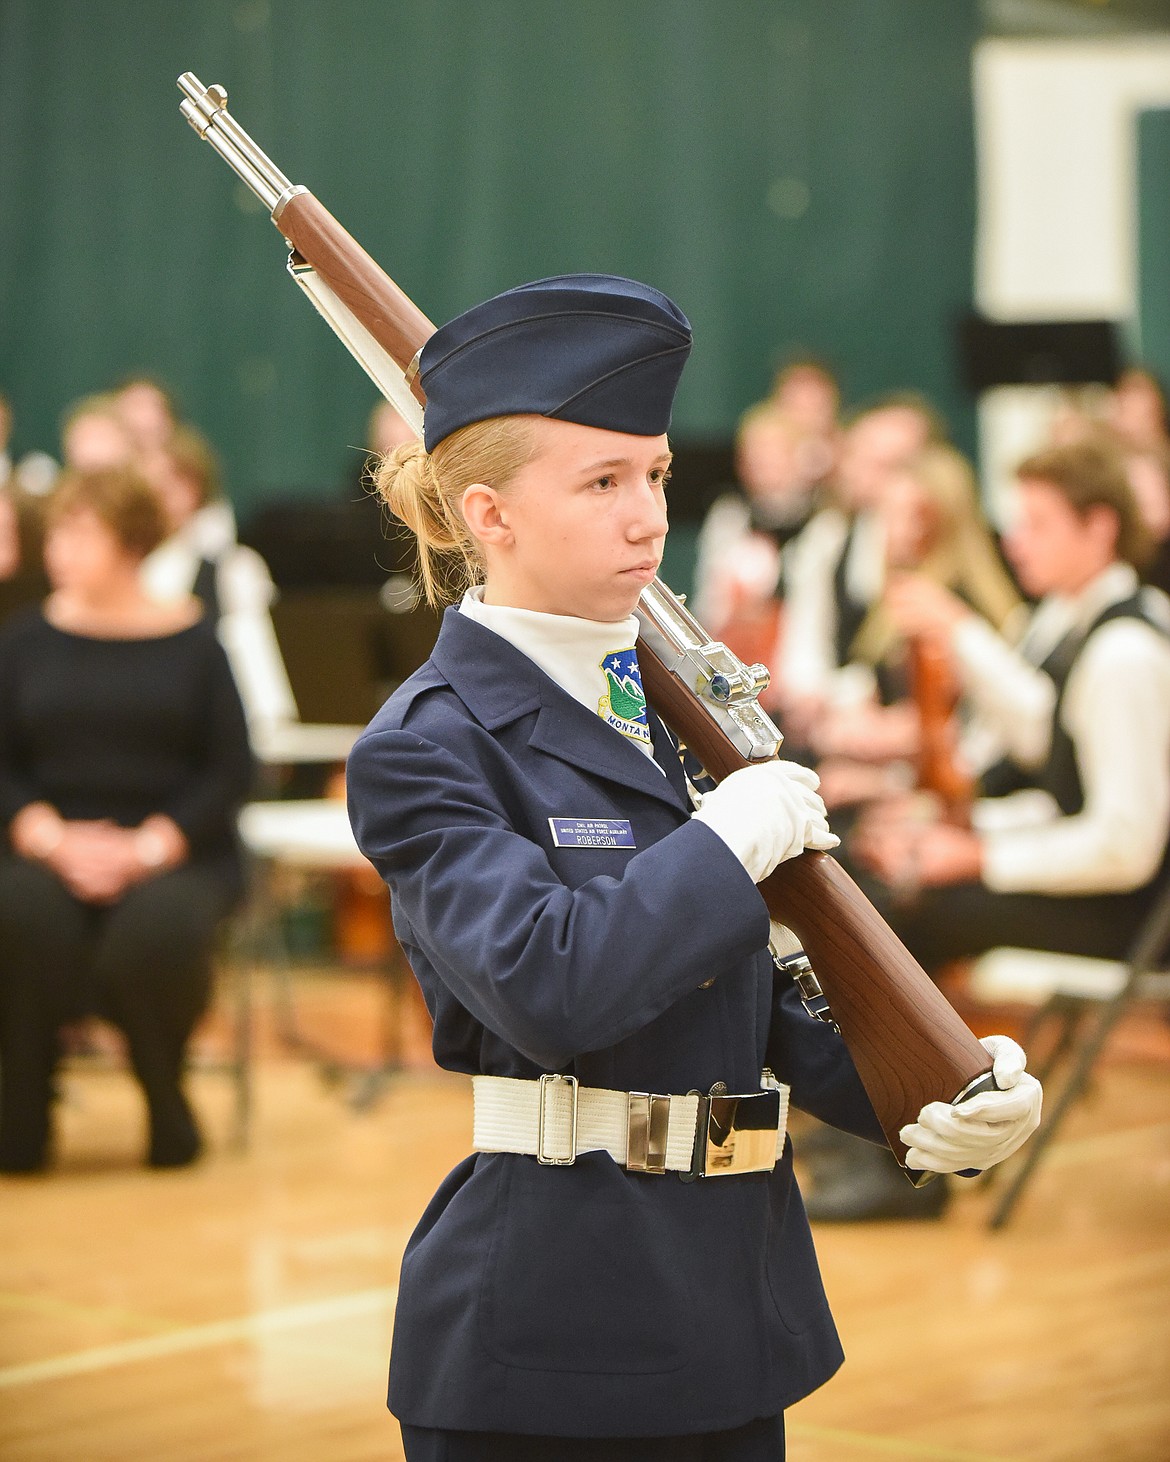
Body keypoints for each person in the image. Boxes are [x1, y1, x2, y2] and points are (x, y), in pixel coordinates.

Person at [344, 274, 1041, 1458]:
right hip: (551, 1324)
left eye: (656, 473)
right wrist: (729, 839)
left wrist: (943, 1087)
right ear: (489, 515)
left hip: (728, 1307)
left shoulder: (681, 719)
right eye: (602, 480)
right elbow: (553, 989)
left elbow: (760, 1005)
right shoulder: (429, 743)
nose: (647, 515)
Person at [803, 439, 1170, 1223]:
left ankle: (915, 1158)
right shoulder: (1067, 625)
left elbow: (1125, 844)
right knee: (876, 884)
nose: (1016, 540)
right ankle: (873, 1119)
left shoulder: (1127, 650)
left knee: (899, 916)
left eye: (1037, 522)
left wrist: (974, 852)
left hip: (1128, 916)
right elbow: (1050, 788)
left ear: (1099, 528)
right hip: (1087, 886)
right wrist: (940, 833)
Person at [0, 466, 252, 1172]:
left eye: (82, 532)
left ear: (132, 542)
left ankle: (164, 1098)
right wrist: (47, 836)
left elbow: (231, 768)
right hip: (47, 846)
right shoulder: (24, 641)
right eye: (57, 532)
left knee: (153, 936)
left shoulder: (195, 643)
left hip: (173, 850)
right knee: (22, 917)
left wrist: (150, 846)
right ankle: (20, 1115)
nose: (60, 548)